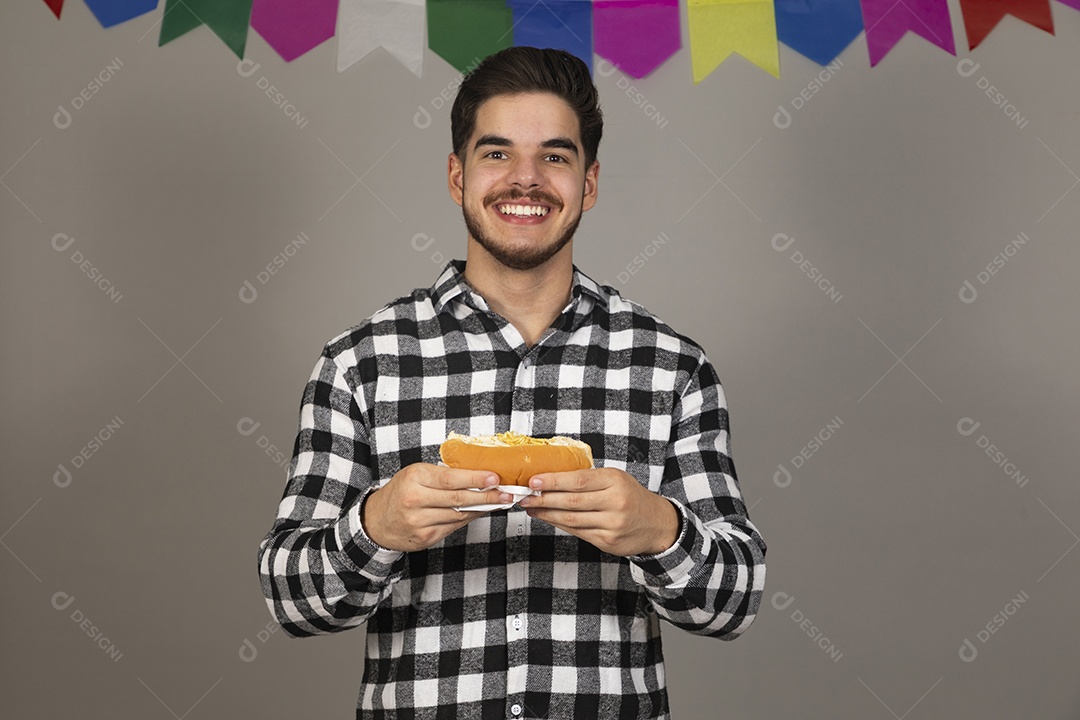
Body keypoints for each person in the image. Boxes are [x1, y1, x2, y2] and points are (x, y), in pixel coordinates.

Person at [258, 46, 766, 719]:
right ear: (456, 175)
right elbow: (291, 602)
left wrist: (659, 529)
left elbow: (735, 604)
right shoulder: (362, 362)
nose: (525, 180)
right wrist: (375, 526)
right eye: (497, 153)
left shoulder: (671, 365)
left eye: (554, 156)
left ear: (588, 182)